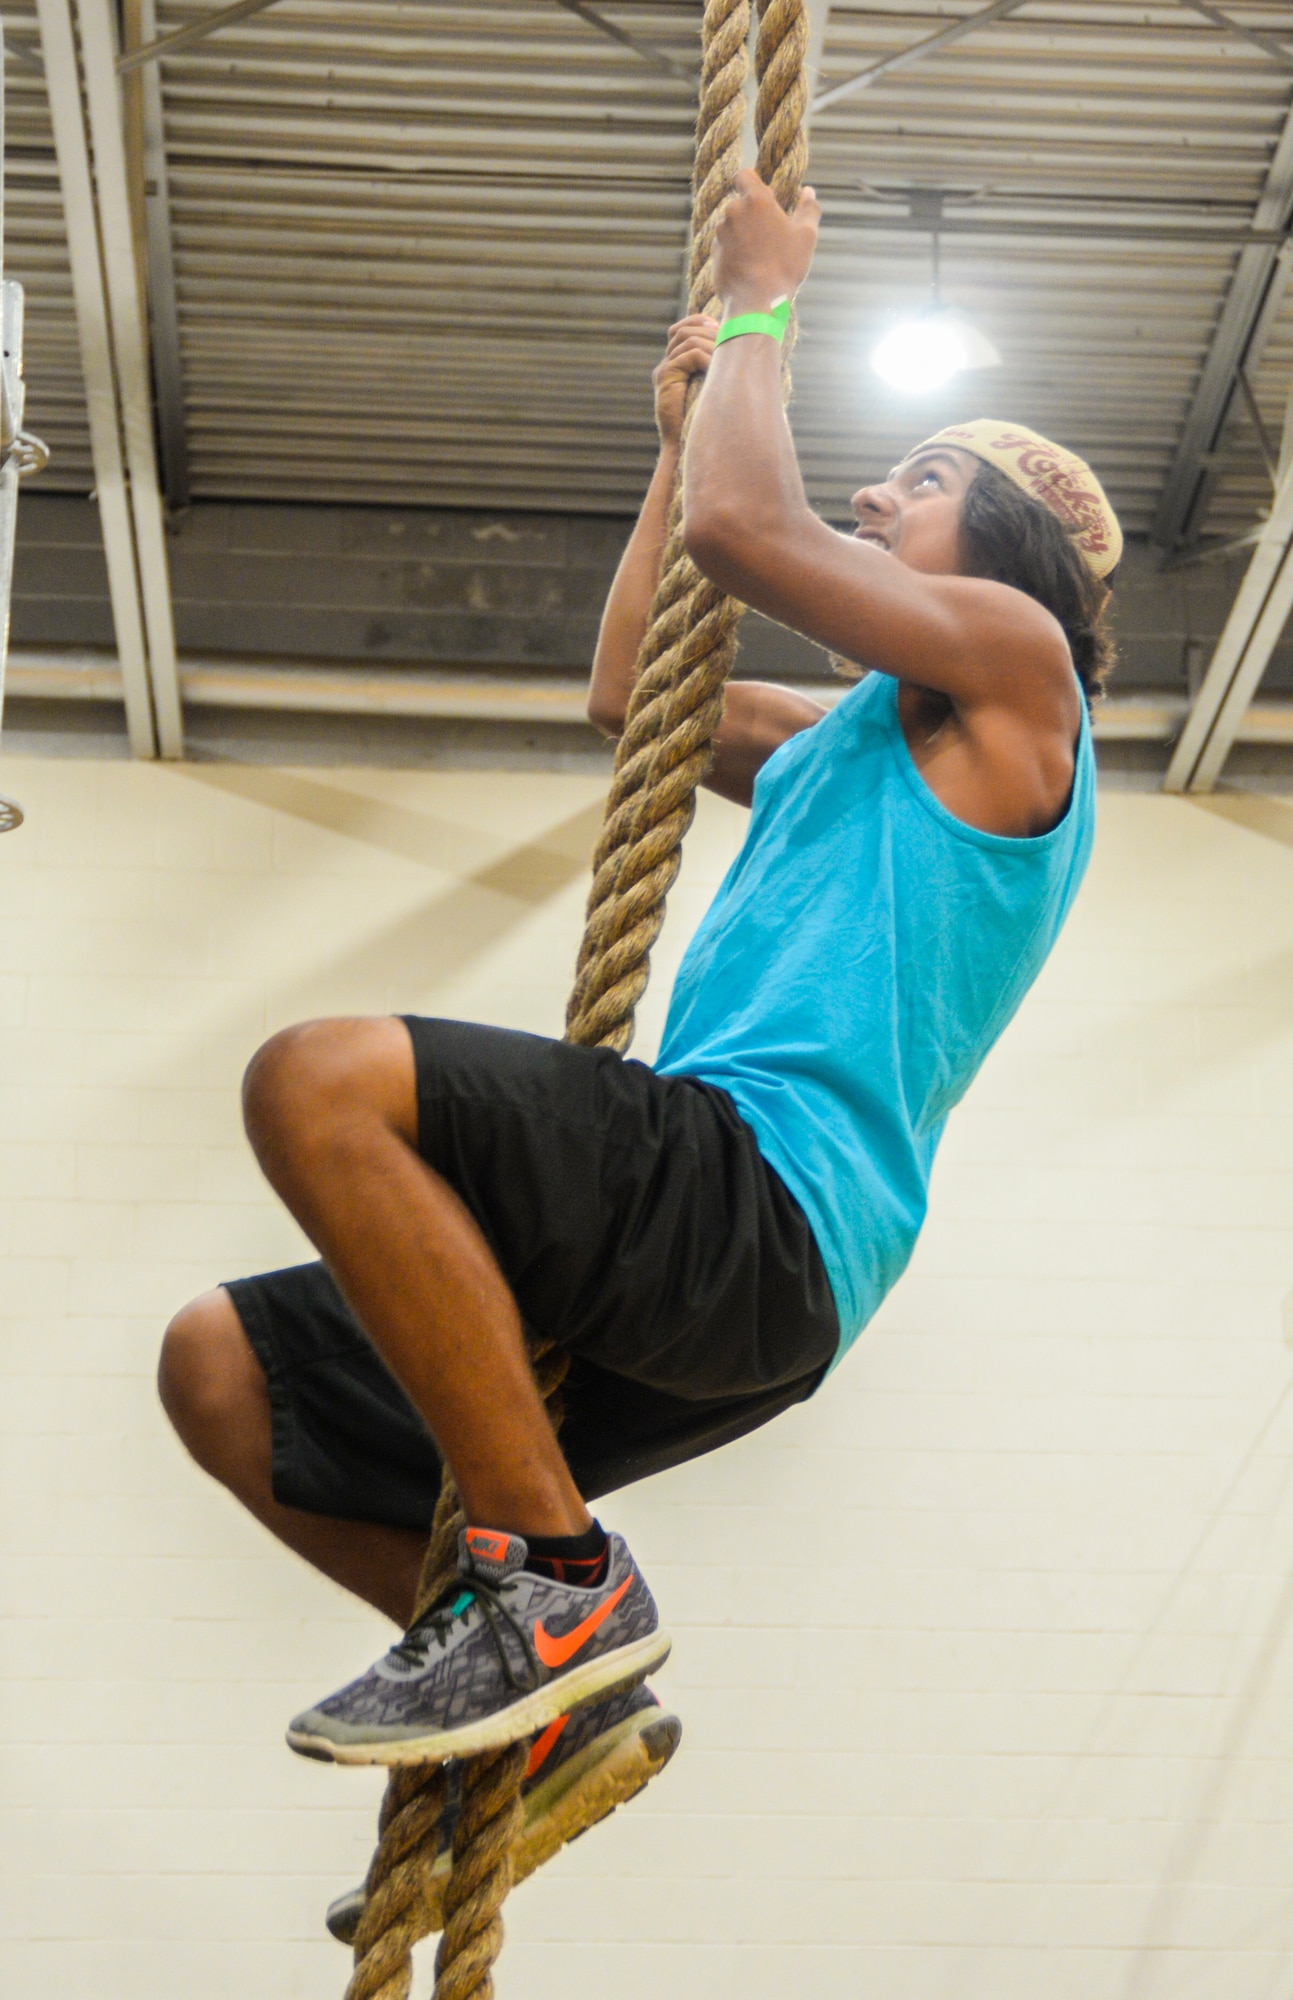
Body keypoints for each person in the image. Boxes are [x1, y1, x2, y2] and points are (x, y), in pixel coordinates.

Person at [157, 172, 1119, 1887]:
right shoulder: (850, 738)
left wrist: (762, 301)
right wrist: (679, 441)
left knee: (318, 1079)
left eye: (921, 479)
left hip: (763, 1207)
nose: (871, 490)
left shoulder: (1016, 665)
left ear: (1014, 543)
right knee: (220, 1368)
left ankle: (552, 1583)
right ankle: (547, 1683)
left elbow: (756, 546)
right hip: (726, 1282)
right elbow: (633, 696)